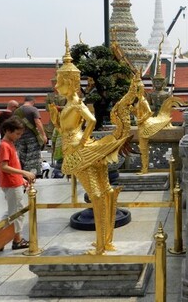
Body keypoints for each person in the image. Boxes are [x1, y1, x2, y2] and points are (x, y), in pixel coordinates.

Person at [48, 35, 134, 255]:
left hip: (78, 151)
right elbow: (69, 128)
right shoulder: (72, 103)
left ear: (69, 82)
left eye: (59, 82)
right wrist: (56, 121)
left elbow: (93, 121)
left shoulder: (76, 103)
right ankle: (105, 242)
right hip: (76, 145)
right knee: (104, 191)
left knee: (97, 195)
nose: (57, 86)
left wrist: (83, 141)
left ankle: (102, 245)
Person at [0, 116, 35, 250]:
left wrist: (21, 179)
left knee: (12, 211)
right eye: (17, 133)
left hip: (14, 182)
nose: (19, 136)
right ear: (8, 130)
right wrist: (24, 173)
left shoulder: (10, 143)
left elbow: (13, 164)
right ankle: (17, 240)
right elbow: (4, 167)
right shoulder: (5, 145)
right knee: (18, 212)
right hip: (11, 183)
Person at [14, 96, 47, 177]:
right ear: (33, 102)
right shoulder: (33, 109)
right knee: (33, 157)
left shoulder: (17, 111)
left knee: (22, 157)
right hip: (32, 137)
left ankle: (23, 174)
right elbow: (38, 122)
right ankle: (31, 175)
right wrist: (43, 135)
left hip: (20, 137)